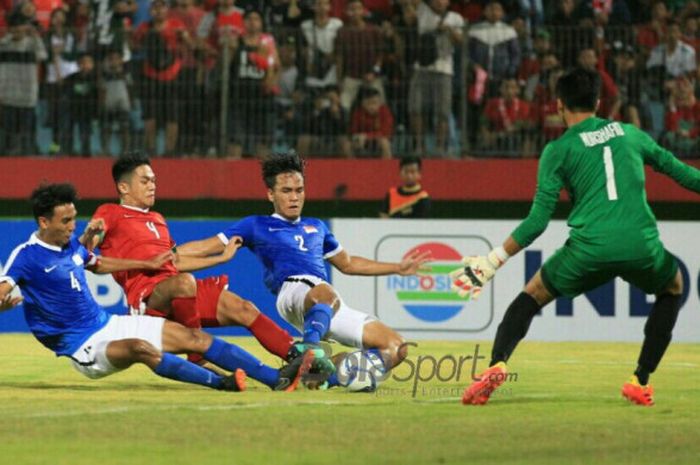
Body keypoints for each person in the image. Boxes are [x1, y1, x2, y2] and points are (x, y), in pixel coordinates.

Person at [450, 68, 700, 407]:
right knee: (673, 287)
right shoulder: (631, 133)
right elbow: (682, 173)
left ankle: (496, 365)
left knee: (532, 294)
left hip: (589, 249)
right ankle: (639, 380)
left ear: (558, 105)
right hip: (641, 244)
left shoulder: (558, 150)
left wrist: (493, 260)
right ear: (598, 102)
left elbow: (538, 220)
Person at [0, 184, 314, 392]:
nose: (72, 226)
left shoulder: (71, 245)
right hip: (81, 346)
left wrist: (147, 265)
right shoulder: (25, 256)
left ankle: (275, 379)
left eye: (73, 219)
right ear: (43, 222)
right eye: (65, 220)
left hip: (108, 323)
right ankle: (221, 384)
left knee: (195, 337)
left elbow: (97, 263)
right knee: (140, 349)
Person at [176, 152, 431, 388]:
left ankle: (324, 376)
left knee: (396, 348)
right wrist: (172, 255)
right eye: (286, 191)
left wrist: (397, 267)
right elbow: (208, 245)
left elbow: (349, 263)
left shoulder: (317, 227)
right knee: (324, 292)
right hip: (293, 293)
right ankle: (308, 350)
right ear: (270, 195)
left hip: (325, 305)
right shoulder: (256, 224)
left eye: (299, 190)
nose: (294, 197)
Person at [86, 153, 321, 372]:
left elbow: (174, 262)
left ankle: (298, 360)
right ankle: (199, 357)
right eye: (145, 181)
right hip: (148, 298)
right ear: (123, 187)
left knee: (242, 308)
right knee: (184, 283)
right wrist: (89, 237)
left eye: (154, 180)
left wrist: (223, 258)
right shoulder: (110, 212)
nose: (152, 185)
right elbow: (85, 256)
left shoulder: (157, 219)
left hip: (178, 289)